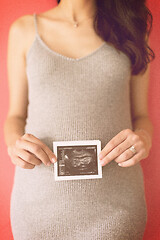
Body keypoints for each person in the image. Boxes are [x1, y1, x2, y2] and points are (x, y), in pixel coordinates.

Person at [4, 0, 155, 239]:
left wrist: (144, 139)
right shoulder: (23, 30)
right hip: (37, 205)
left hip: (116, 207)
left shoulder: (131, 29)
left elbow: (142, 116)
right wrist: (15, 145)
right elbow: (15, 116)